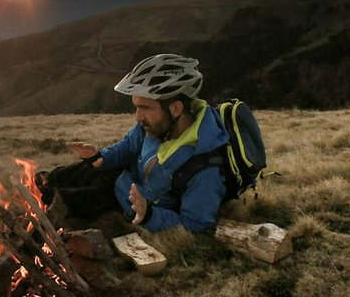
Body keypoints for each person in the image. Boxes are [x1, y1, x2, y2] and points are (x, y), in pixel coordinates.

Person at [39, 54, 229, 233]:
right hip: (121, 178)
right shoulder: (158, 126)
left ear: (176, 109)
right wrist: (101, 157)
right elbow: (128, 146)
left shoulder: (204, 168)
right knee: (52, 177)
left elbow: (196, 225)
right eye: (137, 107)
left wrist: (149, 214)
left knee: (61, 199)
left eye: (144, 108)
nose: (138, 117)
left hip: (129, 204)